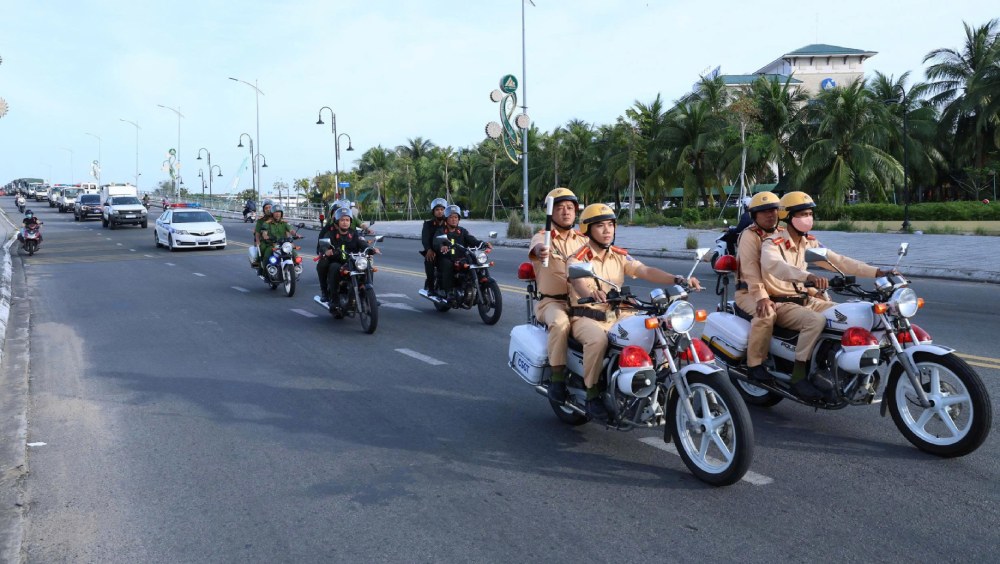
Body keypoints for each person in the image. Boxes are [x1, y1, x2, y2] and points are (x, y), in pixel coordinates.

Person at [567, 204, 702, 420]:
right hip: (587, 317)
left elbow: (645, 270)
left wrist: (678, 279)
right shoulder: (578, 258)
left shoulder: (619, 255)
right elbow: (578, 281)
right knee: (597, 342)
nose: (607, 230)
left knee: (657, 332)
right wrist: (592, 294)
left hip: (619, 314)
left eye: (610, 225)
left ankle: (651, 383)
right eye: (600, 226)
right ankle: (592, 394)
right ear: (587, 230)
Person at [760, 191, 894, 400]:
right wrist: (809, 276)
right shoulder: (772, 243)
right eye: (802, 214)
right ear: (787, 216)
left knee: (844, 315)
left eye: (810, 213)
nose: (808, 219)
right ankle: (798, 376)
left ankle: (831, 364)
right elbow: (777, 267)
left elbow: (839, 261)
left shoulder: (809, 242)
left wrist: (877, 272)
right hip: (781, 302)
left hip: (806, 299)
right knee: (816, 321)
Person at [527, 188, 588, 403]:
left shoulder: (583, 239)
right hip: (552, 302)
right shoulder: (542, 236)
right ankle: (558, 379)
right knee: (561, 324)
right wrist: (541, 250)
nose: (565, 212)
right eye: (560, 208)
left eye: (570, 208)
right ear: (551, 213)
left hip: (581, 300)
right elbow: (536, 248)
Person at [733, 191, 783, 384]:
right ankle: (755, 365)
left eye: (773, 210)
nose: (770, 214)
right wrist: (762, 296)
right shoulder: (749, 236)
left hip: (778, 289)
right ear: (754, 216)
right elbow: (750, 269)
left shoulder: (782, 233)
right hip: (749, 292)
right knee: (766, 314)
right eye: (764, 212)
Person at [320, 207, 380, 316]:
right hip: (338, 262)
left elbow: (362, 243)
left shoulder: (354, 234)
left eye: (347, 220)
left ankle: (368, 296)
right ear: (337, 222)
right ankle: (334, 299)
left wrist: (371, 249)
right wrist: (327, 251)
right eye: (342, 220)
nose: (345, 222)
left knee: (367, 266)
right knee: (333, 267)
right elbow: (323, 245)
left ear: (350, 222)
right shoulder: (331, 234)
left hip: (352, 261)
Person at [434, 204, 491, 306]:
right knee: (448, 265)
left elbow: (472, 240)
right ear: (446, 219)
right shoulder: (441, 231)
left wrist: (483, 244)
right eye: (451, 217)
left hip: (461, 257)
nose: (454, 219)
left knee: (476, 262)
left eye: (456, 217)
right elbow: (436, 241)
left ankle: (478, 289)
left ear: (459, 219)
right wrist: (442, 246)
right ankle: (449, 292)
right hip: (446, 257)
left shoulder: (462, 231)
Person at [421, 197, 449, 294]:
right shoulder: (428, 224)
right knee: (429, 260)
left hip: (448, 249)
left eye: (442, 209)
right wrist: (428, 249)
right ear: (433, 211)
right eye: (437, 210)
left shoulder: (449, 222)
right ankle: (431, 287)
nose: (440, 212)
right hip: (433, 251)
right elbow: (425, 238)